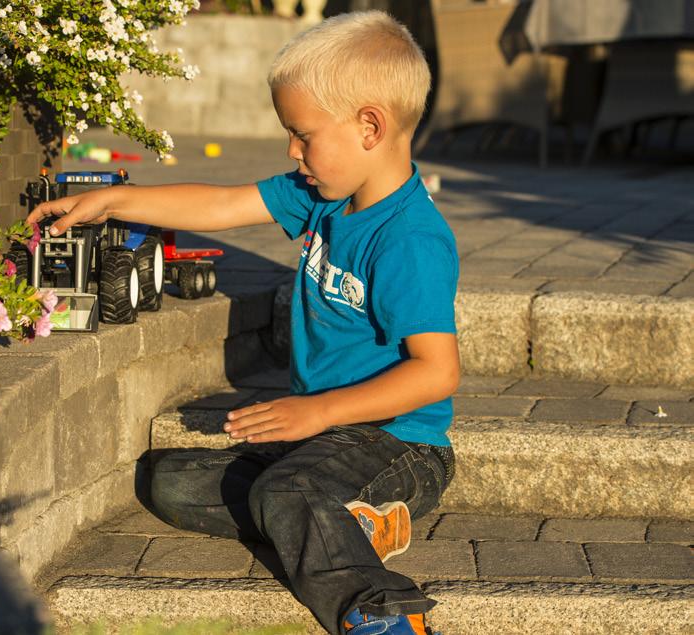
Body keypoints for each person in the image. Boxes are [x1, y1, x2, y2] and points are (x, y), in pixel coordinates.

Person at [27, 11, 458, 635]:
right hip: (321, 446)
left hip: (398, 444)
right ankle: (353, 525)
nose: (292, 150)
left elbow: (437, 374)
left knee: (284, 493)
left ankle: (378, 608)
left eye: (302, 135)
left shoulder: (409, 240)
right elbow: (224, 202)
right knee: (168, 482)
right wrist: (113, 199)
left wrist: (318, 412)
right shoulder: (322, 197)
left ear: (371, 126)